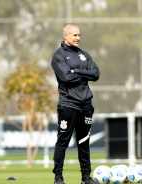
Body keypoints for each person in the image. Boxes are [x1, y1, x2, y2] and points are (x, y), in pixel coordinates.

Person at [50, 23, 100, 184]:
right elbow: (66, 78)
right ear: (65, 36)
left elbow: (96, 74)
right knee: (63, 142)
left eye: (79, 35)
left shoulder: (84, 54)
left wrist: (76, 71)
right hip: (68, 105)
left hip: (86, 105)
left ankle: (86, 178)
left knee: (84, 142)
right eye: (74, 35)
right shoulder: (59, 56)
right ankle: (58, 177)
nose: (78, 38)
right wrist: (85, 75)